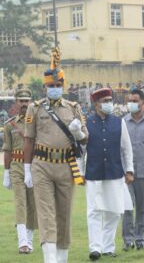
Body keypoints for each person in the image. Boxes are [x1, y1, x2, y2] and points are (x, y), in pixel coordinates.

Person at [23, 48, 88, 262]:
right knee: (45, 212)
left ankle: (62, 257)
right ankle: (49, 258)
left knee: (64, 214)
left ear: (63, 86)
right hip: (41, 164)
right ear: (45, 87)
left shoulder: (74, 108)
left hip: (66, 165)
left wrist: (78, 131)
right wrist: (26, 169)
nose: (55, 88)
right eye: (51, 86)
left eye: (58, 85)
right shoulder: (35, 108)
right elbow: (29, 139)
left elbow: (85, 139)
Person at [82, 88, 134, 260]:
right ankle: (95, 247)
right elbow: (80, 151)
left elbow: (126, 148)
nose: (108, 103)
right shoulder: (87, 122)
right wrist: (80, 172)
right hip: (94, 172)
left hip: (114, 171)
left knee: (114, 211)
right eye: (105, 100)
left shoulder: (119, 122)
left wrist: (129, 170)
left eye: (109, 100)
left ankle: (108, 246)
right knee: (94, 211)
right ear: (96, 103)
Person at [2, 89, 38, 254]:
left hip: (34, 166)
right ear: (16, 103)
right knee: (20, 203)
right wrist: (6, 172)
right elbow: (7, 150)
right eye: (21, 101)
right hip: (17, 167)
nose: (24, 104)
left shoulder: (35, 122)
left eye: (26, 101)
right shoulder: (10, 124)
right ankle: (23, 242)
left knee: (32, 205)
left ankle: (30, 241)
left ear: (30, 102)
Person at [122, 89, 144, 251]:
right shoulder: (123, 122)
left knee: (142, 207)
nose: (132, 104)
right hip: (126, 172)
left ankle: (140, 239)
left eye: (135, 101)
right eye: (130, 101)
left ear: (143, 102)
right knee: (127, 206)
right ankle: (127, 240)